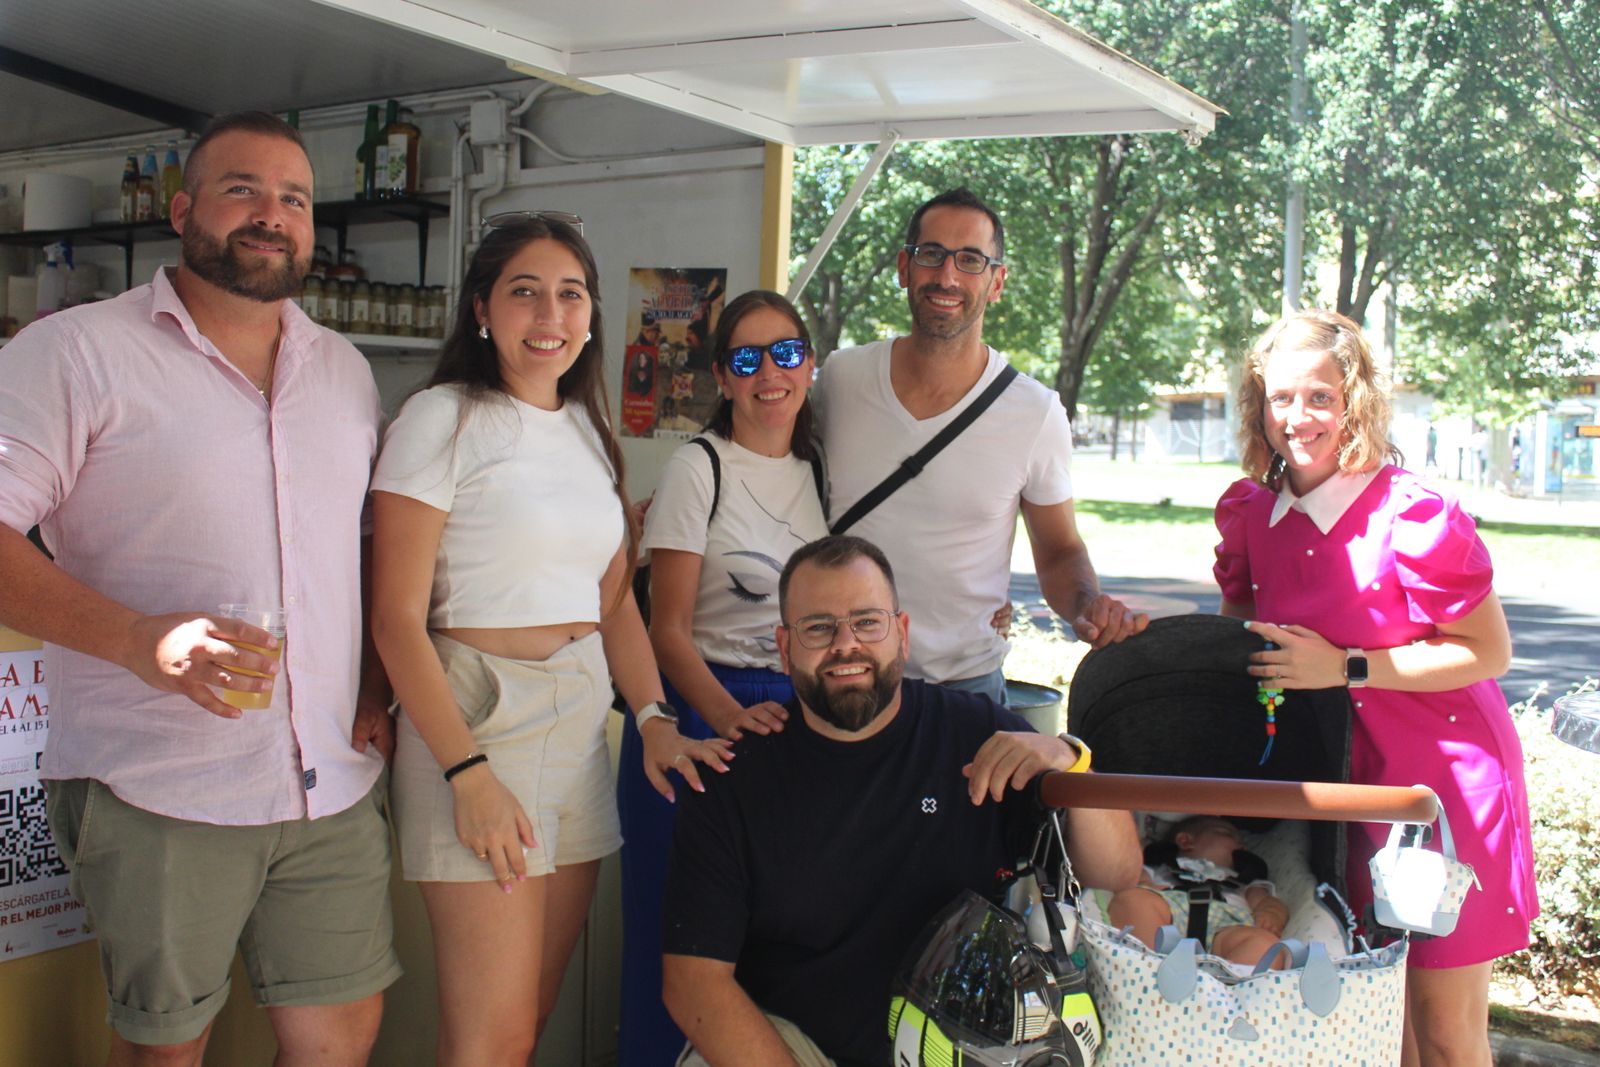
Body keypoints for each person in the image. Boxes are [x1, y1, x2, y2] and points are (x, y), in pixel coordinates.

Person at [0, 112, 398, 1066]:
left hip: (329, 782)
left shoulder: (344, 370)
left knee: (341, 1040)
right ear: (181, 211)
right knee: (166, 1050)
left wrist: (375, 680)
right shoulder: (76, 351)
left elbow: (362, 543)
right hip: (160, 783)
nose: (272, 214)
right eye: (242, 189)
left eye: (294, 198)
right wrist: (137, 639)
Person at [369, 212, 730, 1066]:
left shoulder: (587, 431)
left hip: (577, 724)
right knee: (487, 1041)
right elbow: (394, 618)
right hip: (479, 719)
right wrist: (465, 770)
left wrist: (651, 715)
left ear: (592, 315)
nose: (550, 314)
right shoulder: (439, 418)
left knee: (526, 1026)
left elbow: (613, 606)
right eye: (524, 291)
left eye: (570, 294)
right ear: (481, 308)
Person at [661, 535, 1141, 1067]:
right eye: (818, 627)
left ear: (903, 634)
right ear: (784, 645)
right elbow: (693, 982)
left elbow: (1117, 873)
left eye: (868, 622)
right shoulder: (735, 777)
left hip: (971, 1046)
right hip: (792, 1046)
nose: (846, 645)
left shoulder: (978, 736)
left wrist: (1071, 763)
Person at [1213, 309, 1536, 1067]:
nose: (1298, 417)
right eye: (1280, 397)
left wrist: (1346, 665)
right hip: (1339, 796)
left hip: (1441, 796)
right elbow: (1236, 635)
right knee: (1385, 1031)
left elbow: (1489, 651)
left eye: (1320, 397)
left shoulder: (1411, 513)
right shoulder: (1253, 513)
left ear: (1354, 400)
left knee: (1446, 1034)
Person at [815, 187, 1145, 704]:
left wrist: (1086, 605)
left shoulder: (1035, 412)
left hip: (964, 689)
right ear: (904, 267)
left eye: (970, 260)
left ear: (997, 282)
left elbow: (1059, 550)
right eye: (931, 254)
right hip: (839, 678)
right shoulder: (840, 379)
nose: (947, 276)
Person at [616, 290, 829, 1066]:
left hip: (794, 723)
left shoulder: (819, 472)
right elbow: (666, 630)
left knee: (761, 952)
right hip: (700, 719)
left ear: (810, 365)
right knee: (673, 945)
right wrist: (727, 716)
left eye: (786, 353)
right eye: (747, 358)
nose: (770, 373)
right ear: (722, 376)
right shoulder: (697, 466)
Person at [1104, 815, 1291, 968]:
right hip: (1170, 914)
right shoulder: (1160, 868)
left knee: (1266, 944)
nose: (1241, 845)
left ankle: (1228, 987)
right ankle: (1150, 967)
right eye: (1227, 834)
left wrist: (1271, 913)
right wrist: (1146, 886)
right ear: (1185, 841)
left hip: (1227, 925)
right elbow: (1132, 876)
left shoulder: (1244, 881)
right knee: (1133, 900)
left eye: (1242, 842)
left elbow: (1266, 901)